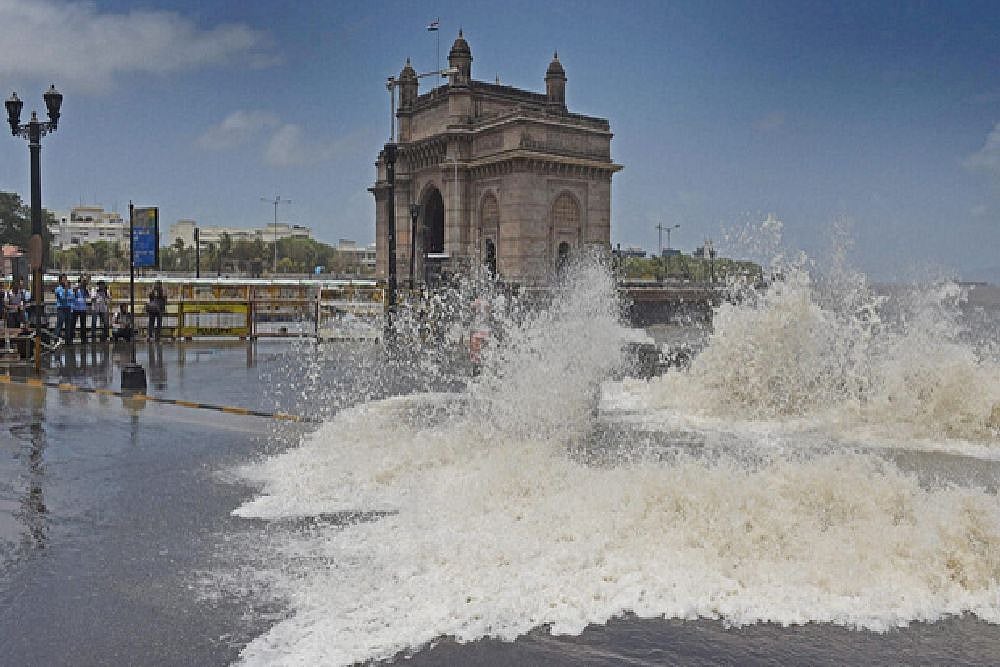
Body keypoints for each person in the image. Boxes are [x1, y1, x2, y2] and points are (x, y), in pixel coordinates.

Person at [54, 273, 73, 344]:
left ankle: (68, 340)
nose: (65, 280)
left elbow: (71, 297)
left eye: (66, 278)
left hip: (68, 308)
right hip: (61, 308)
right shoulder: (58, 289)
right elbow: (62, 298)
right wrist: (65, 290)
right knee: (59, 324)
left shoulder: (69, 289)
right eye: (63, 278)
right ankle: (56, 340)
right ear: (60, 280)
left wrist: (67, 290)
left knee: (68, 325)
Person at [72, 276, 90, 344]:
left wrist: (85, 288)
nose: (83, 283)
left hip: (83, 308)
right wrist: (78, 287)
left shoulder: (84, 289)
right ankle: (71, 337)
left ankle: (83, 338)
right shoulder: (76, 288)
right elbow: (74, 294)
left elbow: (87, 295)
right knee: (73, 324)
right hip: (76, 308)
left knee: (83, 324)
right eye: (82, 281)